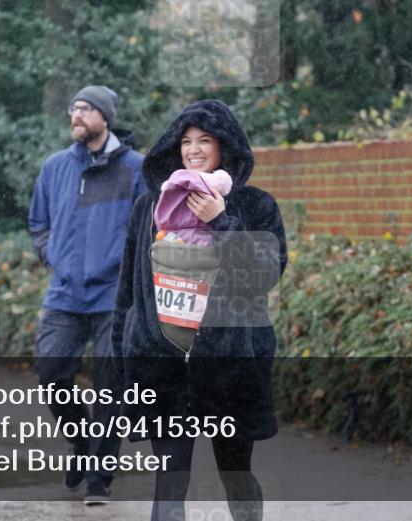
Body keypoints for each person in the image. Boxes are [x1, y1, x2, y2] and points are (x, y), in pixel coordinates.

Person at [112, 100, 287, 521]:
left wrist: (222, 220)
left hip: (229, 371)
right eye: (186, 141)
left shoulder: (256, 206)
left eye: (204, 141)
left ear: (224, 147)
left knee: (235, 474)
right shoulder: (148, 208)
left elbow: (261, 276)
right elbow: (128, 293)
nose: (193, 149)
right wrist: (123, 356)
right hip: (164, 368)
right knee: (170, 481)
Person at [29, 85, 146, 505]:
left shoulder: (136, 168)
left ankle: (100, 477)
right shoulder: (55, 167)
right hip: (64, 293)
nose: (76, 115)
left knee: (111, 388)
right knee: (50, 373)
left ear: (105, 117)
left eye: (86, 109)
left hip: (115, 298)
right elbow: (38, 222)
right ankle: (82, 444)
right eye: (73, 108)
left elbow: (150, 228)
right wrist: (53, 256)